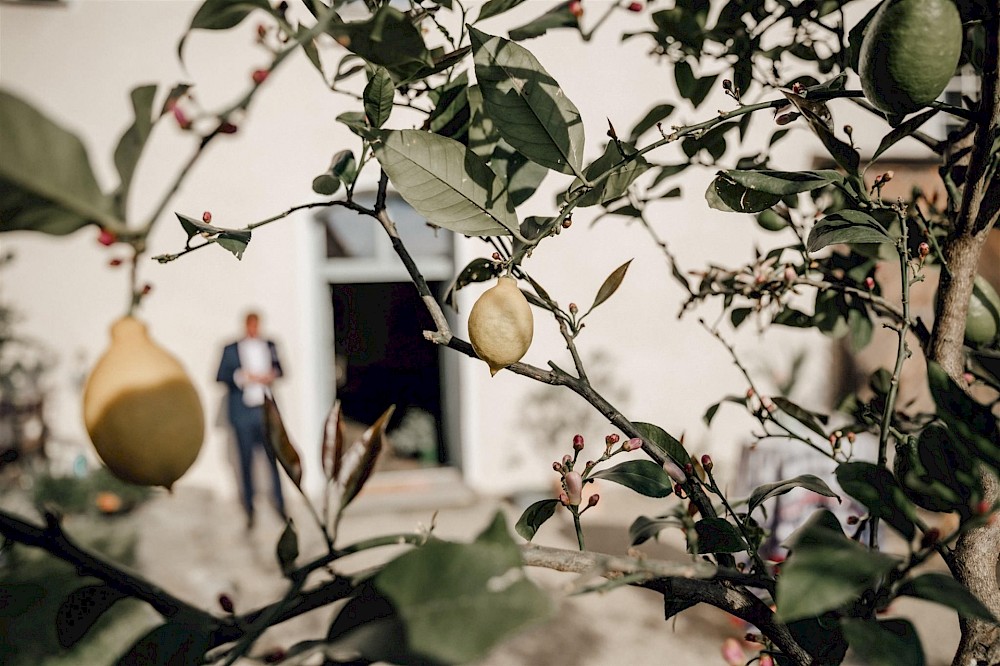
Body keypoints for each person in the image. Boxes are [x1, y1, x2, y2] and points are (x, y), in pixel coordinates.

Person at [216, 312, 286, 529]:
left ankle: (280, 505)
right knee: (245, 462)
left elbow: (282, 369)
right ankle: (249, 508)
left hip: (265, 411)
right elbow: (220, 376)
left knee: (273, 460)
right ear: (246, 326)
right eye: (251, 325)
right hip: (243, 413)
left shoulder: (270, 345)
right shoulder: (231, 348)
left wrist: (270, 375)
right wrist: (243, 376)